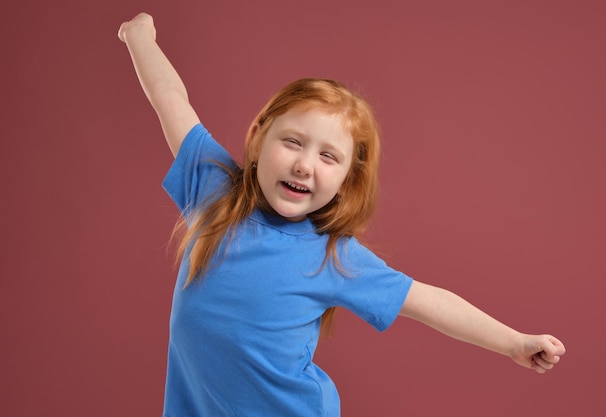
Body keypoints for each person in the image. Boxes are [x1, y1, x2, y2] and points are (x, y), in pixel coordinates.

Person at [118, 12, 566, 417]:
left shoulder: (332, 256)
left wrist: (514, 343)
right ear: (256, 140)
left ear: (346, 180)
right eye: (292, 141)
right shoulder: (215, 191)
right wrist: (140, 38)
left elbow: (430, 303)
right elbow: (170, 99)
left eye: (328, 156)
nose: (304, 164)